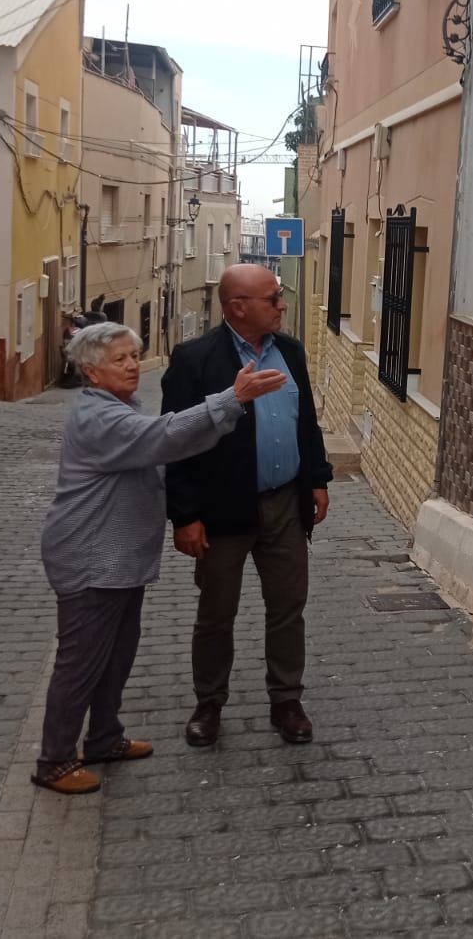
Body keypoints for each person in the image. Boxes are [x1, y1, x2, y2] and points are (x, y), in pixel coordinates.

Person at [33, 321, 286, 794]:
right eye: (120, 359)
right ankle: (54, 761)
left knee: (116, 655)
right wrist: (231, 400)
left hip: (117, 560)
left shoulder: (118, 406)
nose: (133, 366)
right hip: (91, 559)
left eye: (135, 356)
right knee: (81, 662)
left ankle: (104, 738)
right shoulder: (100, 418)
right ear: (90, 371)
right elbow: (165, 437)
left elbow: (174, 441)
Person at [162, 264, 332, 747]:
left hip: (284, 505)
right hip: (222, 512)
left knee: (287, 607)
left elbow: (307, 423)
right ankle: (209, 702)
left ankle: (286, 700)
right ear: (237, 306)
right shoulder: (195, 360)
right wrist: (185, 516)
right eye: (272, 299)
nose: (282, 305)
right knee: (216, 612)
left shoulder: (291, 353)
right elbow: (175, 443)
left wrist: (317, 479)